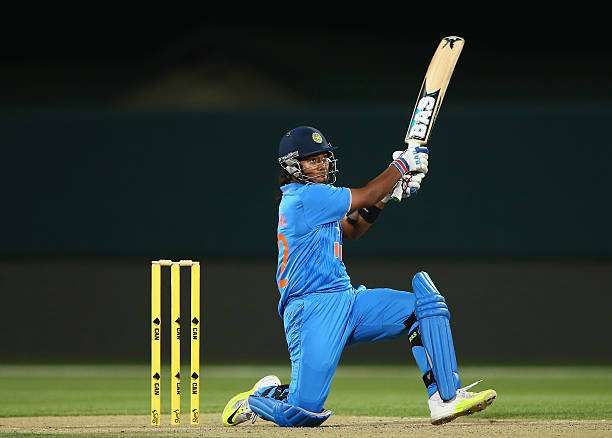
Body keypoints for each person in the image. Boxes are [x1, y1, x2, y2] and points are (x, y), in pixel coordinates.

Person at [221, 126, 496, 427]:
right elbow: (366, 194)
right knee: (302, 413)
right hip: (311, 310)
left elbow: (352, 229)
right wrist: (403, 165)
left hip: (347, 301)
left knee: (423, 307)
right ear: (292, 166)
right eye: (312, 160)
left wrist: (386, 197)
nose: (322, 164)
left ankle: (445, 398)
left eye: (324, 157)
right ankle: (261, 396)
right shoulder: (304, 198)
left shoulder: (318, 199)